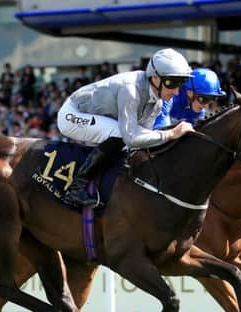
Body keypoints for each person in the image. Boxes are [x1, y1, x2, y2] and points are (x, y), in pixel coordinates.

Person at [57, 48, 195, 207]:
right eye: (172, 83)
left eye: (181, 83)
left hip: (99, 116)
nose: (176, 91)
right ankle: (76, 188)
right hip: (72, 114)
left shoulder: (157, 102)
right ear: (155, 78)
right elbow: (131, 137)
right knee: (120, 134)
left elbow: (144, 138)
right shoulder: (131, 90)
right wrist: (171, 134)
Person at [153, 67, 226, 129]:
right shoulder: (170, 99)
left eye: (211, 100)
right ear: (190, 91)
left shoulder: (199, 110)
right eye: (203, 99)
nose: (205, 106)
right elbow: (159, 130)